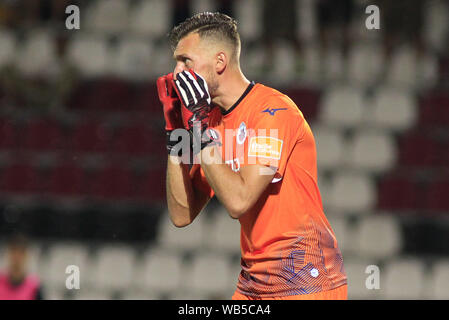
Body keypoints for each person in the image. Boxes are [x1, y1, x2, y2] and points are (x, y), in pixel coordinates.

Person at [157, 12, 347, 300]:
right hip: (254, 282)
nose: (177, 71)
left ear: (220, 62)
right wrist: (176, 135)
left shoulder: (273, 112)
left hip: (305, 280)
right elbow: (182, 215)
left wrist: (197, 125)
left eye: (186, 61)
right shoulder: (211, 124)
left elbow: (239, 200)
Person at [0, 233, 44, 300]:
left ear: (26, 255)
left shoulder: (35, 287)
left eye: (21, 252)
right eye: (13, 251)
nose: (17, 257)